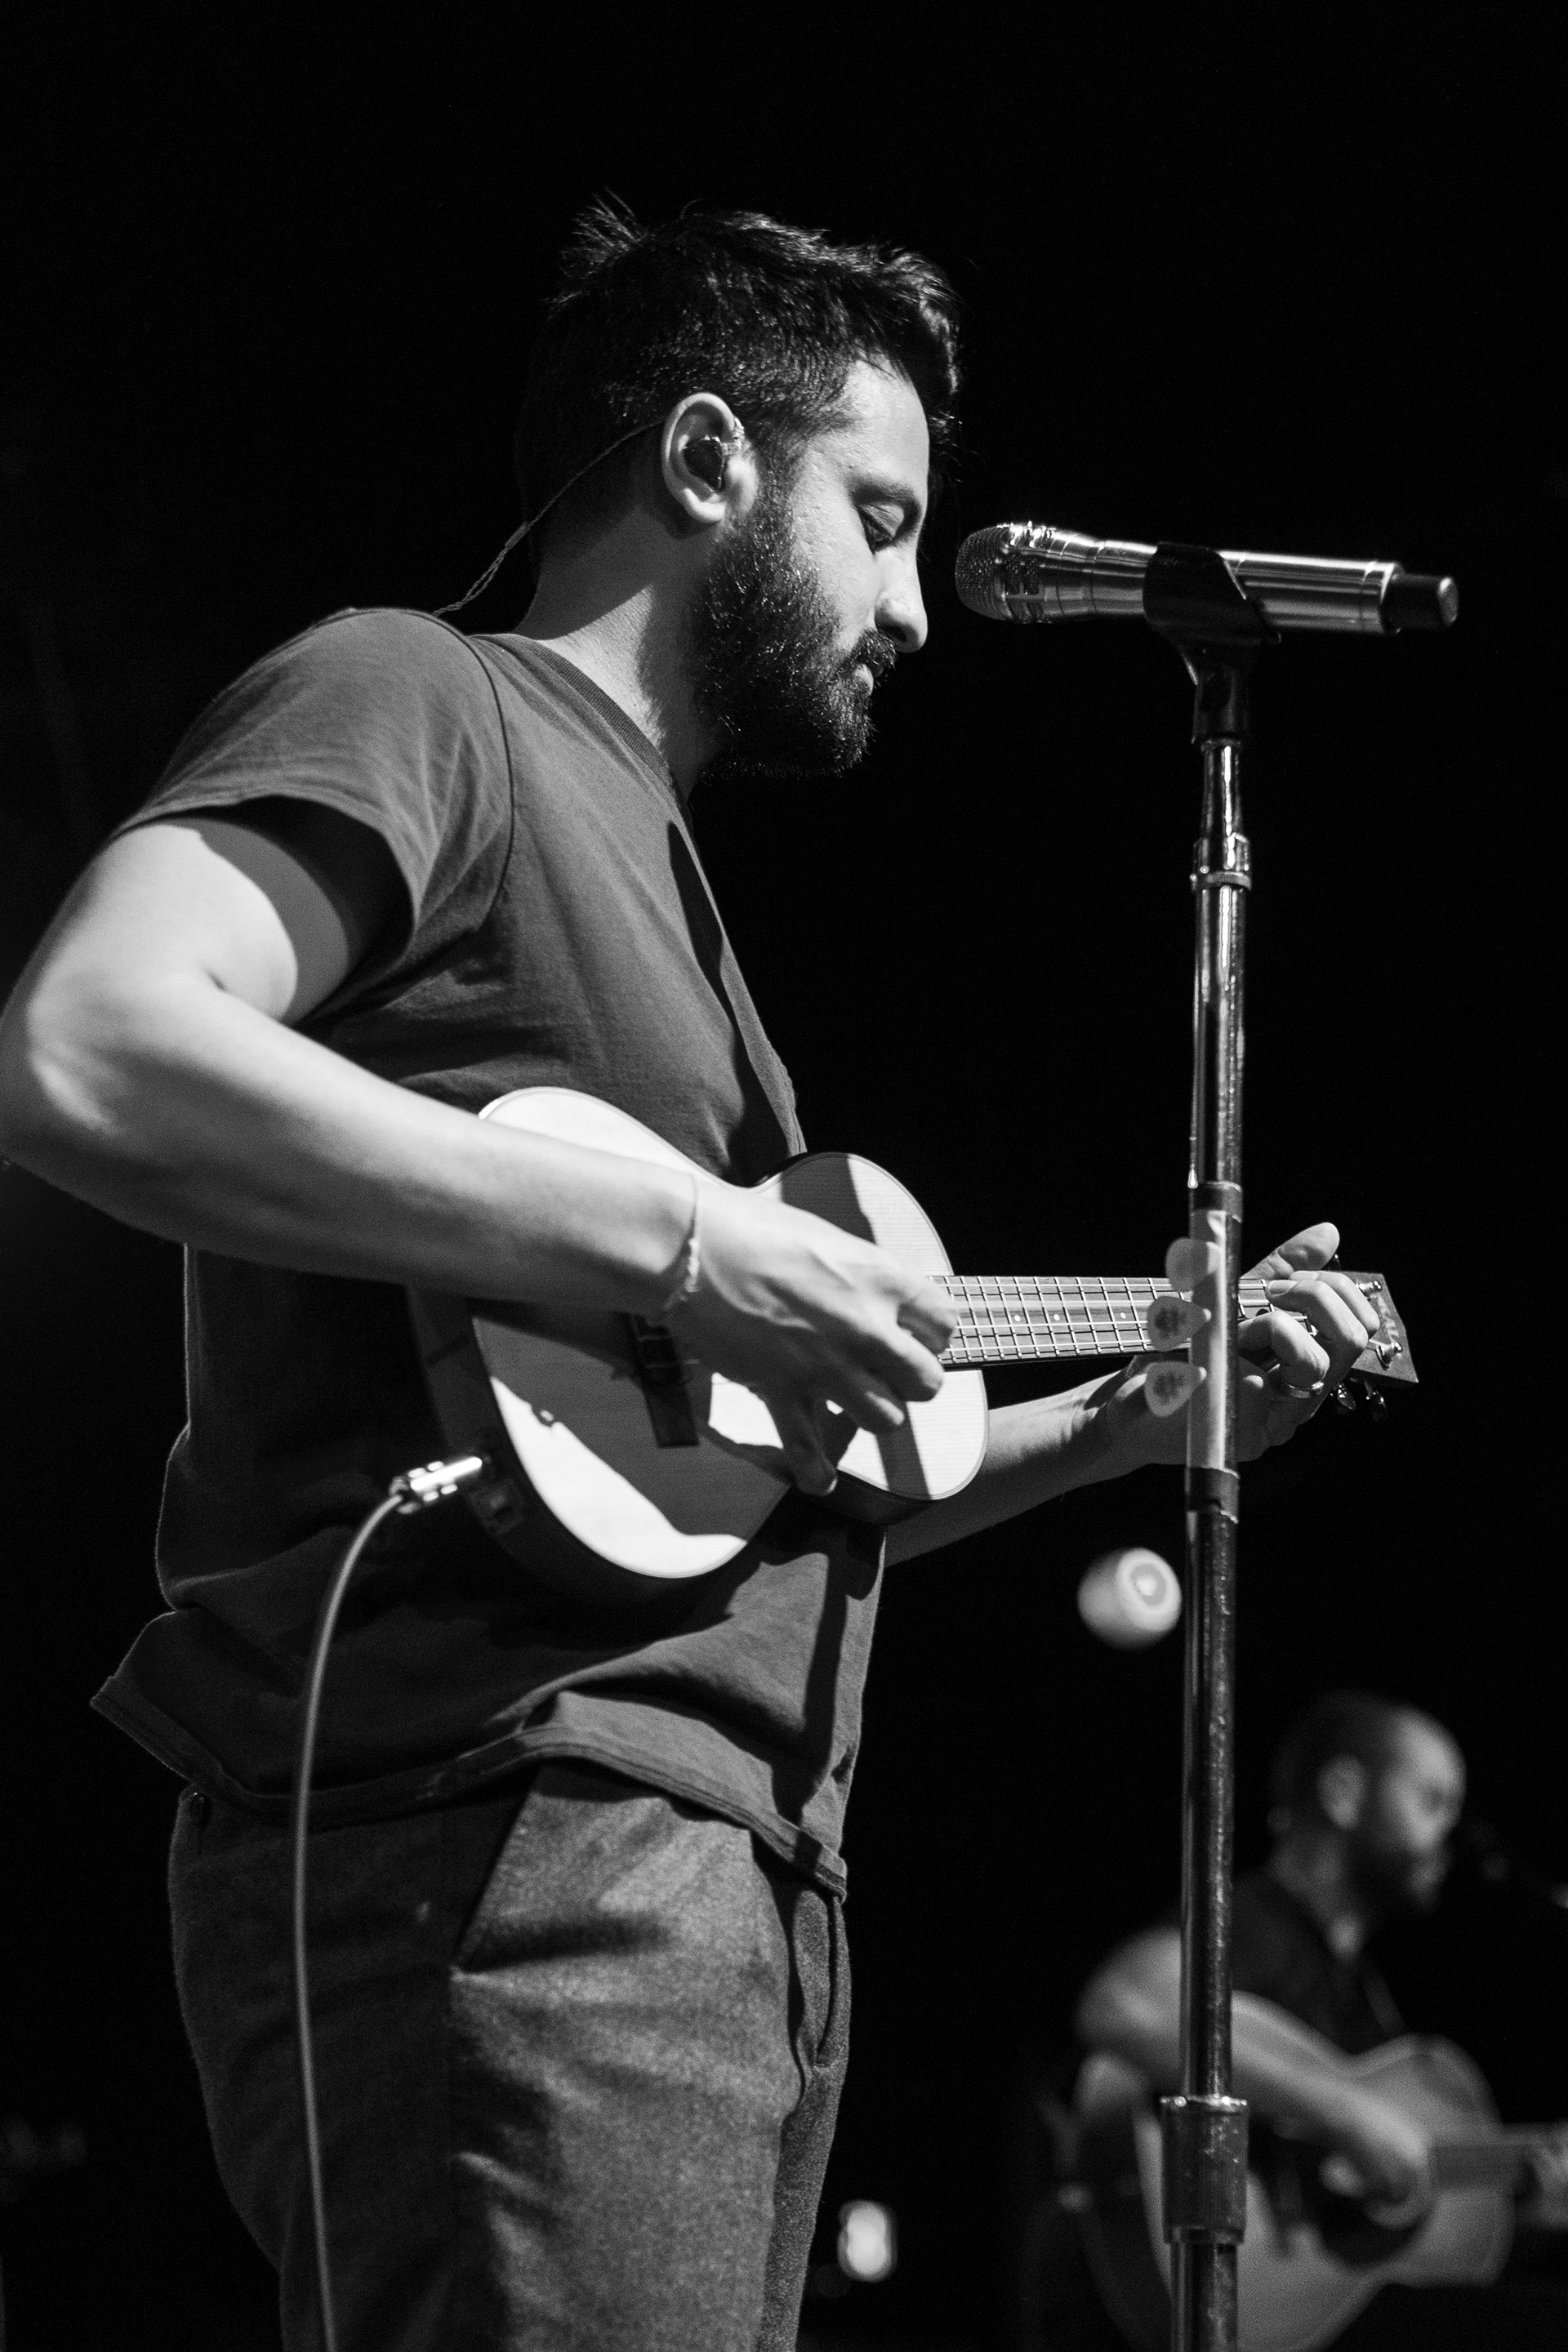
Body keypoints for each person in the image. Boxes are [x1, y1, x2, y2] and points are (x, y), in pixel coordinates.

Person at [0, 203, 1383, 2352]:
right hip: (505, 1841)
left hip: (722, 1881)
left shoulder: (680, 916)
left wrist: (1133, 1424)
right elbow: (91, 1046)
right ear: (711, 459)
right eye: (881, 520)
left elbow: (763, 1503)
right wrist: (696, 1236)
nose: (912, 607)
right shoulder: (423, 695)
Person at [1031, 1693, 1568, 2349]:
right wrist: (1349, 2115)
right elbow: (1125, 2005)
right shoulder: (1259, 1923)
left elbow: (1383, 2226)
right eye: (1432, 1802)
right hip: (1131, 2302)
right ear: (1344, 1793)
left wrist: (1529, 2201)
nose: (1450, 1838)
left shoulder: (1363, 1995)